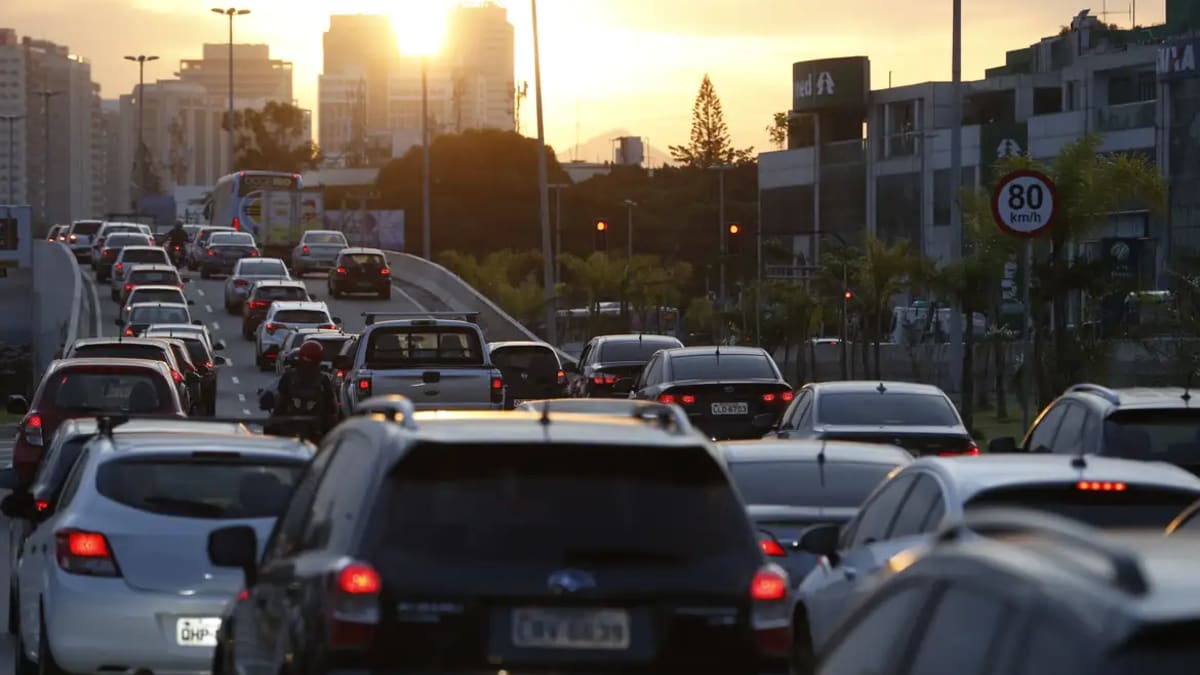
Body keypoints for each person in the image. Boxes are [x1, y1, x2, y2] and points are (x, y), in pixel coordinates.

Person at [271, 340, 338, 440]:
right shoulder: (323, 379)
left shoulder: (290, 375)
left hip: (309, 428)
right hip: (302, 427)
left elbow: (331, 406)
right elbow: (332, 406)